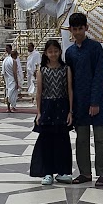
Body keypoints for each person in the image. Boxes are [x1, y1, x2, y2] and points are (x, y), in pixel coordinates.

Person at [64, 10, 103, 187]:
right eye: (74, 29)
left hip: (97, 101)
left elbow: (99, 75)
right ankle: (84, 172)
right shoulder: (70, 53)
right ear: (71, 30)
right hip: (79, 103)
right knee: (81, 139)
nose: (77, 32)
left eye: (80, 28)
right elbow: (69, 80)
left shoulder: (95, 48)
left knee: (100, 138)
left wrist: (95, 102)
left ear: (86, 28)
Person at [29, 38, 74, 185]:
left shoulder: (66, 68)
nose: (53, 54)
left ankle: (62, 172)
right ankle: (47, 172)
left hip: (61, 106)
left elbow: (69, 90)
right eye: (50, 51)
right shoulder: (42, 70)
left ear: (59, 52)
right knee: (46, 141)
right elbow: (39, 92)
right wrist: (39, 112)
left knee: (62, 141)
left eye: (55, 51)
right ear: (46, 53)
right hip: (47, 107)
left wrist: (70, 111)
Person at [2, 43, 24, 112]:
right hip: (12, 79)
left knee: (9, 93)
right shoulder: (13, 61)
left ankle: (8, 108)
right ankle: (13, 107)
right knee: (13, 94)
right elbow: (14, 73)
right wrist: (17, 83)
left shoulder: (5, 60)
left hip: (7, 79)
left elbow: (3, 71)